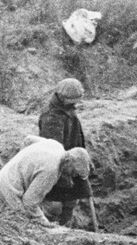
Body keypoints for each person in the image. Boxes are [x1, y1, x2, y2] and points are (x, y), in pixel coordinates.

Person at [0, 137, 92, 228]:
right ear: (68, 161)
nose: (72, 176)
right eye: (73, 172)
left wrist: (22, 165)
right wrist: (46, 224)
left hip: (5, 173)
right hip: (8, 188)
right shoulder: (51, 171)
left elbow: (28, 140)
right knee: (23, 223)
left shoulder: (56, 145)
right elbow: (29, 202)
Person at [37, 78, 93, 227]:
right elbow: (53, 149)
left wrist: (83, 160)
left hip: (72, 161)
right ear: (62, 97)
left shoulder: (68, 110)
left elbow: (78, 136)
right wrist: (64, 172)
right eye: (72, 100)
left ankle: (66, 227)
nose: (75, 104)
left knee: (71, 201)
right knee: (54, 205)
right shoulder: (51, 117)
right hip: (59, 165)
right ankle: (52, 230)